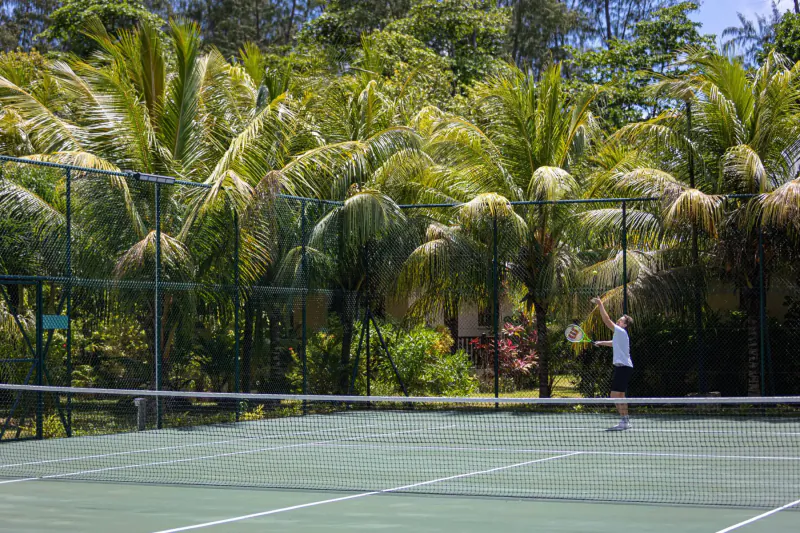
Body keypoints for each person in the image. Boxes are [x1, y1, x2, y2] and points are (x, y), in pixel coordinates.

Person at [590, 297, 634, 431]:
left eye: (621, 320)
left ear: (625, 324)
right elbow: (613, 343)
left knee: (614, 396)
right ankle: (625, 421)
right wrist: (600, 342)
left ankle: (624, 421)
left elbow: (606, 320)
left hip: (623, 368)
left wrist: (600, 304)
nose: (618, 320)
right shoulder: (621, 335)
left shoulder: (620, 331)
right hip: (625, 368)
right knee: (620, 395)